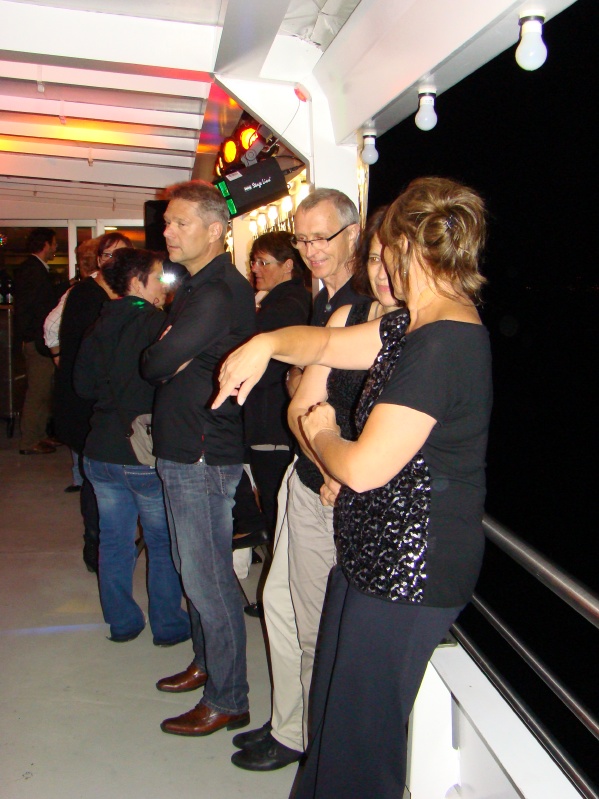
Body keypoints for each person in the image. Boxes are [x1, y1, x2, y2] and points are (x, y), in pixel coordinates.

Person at [214, 176, 493, 797]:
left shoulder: (445, 341)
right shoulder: (414, 326)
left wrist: (322, 430)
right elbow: (326, 342)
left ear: (407, 248)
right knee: (332, 720)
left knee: (359, 744)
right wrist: (266, 343)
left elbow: (363, 468)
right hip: (369, 552)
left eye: (386, 247)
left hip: (410, 569)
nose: (381, 263)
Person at [230, 207, 400, 771]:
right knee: (280, 605)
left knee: (314, 629)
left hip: (348, 498)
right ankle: (292, 728)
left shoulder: (409, 329)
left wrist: (333, 466)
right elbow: (302, 400)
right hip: (310, 478)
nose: (310, 250)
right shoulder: (340, 307)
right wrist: (324, 462)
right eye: (301, 240)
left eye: (320, 237)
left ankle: (310, 744)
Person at [140, 180, 255, 737]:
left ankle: (229, 697)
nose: (167, 231)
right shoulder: (199, 286)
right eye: (166, 222)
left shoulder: (216, 292)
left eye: (179, 222)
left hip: (202, 452)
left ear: (215, 230)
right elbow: (165, 358)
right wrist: (168, 352)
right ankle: (209, 664)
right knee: (195, 570)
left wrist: (166, 352)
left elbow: (154, 362)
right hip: (187, 446)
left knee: (208, 579)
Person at [73, 247, 190, 646]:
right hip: (144, 451)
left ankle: (122, 622)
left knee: (114, 540)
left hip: (101, 449)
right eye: (158, 277)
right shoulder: (159, 324)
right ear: (138, 282)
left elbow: (82, 387)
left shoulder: (99, 323)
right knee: (161, 541)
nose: (164, 286)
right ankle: (168, 625)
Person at [53, 232, 132, 572]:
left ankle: (109, 544)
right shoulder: (86, 294)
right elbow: (92, 353)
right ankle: (96, 545)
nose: (115, 261)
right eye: (109, 254)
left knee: (105, 475)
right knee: (95, 477)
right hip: (84, 400)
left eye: (122, 255)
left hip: (105, 401)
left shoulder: (123, 293)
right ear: (99, 260)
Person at [233, 231, 311, 550]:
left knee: (276, 512)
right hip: (274, 422)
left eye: (263, 262)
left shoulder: (285, 306)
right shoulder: (288, 301)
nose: (255, 268)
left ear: (288, 265)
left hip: (271, 424)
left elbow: (265, 369)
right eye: (253, 261)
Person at [13, 227, 65, 454]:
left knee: (43, 391)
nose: (55, 248)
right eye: (54, 243)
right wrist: (36, 338)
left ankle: (40, 435)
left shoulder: (33, 269)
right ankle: (29, 441)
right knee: (38, 391)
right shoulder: (33, 271)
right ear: (46, 244)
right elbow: (35, 307)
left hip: (35, 339)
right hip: (37, 341)